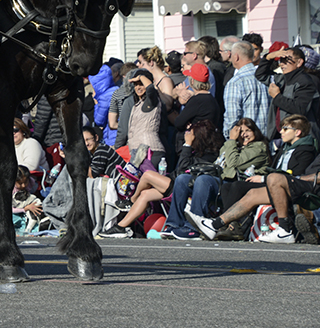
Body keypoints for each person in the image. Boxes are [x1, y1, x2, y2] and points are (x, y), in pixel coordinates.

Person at [102, 119, 224, 238]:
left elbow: (182, 168)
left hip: (187, 186)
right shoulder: (195, 151)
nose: (187, 135)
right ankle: (120, 227)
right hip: (178, 184)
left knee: (148, 175)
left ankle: (131, 201)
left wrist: (187, 145)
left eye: (190, 134)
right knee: (145, 194)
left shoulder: (209, 154)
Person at [189, 151, 320, 244]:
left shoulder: (306, 149)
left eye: (285, 128)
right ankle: (214, 225)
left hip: (313, 188)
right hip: (305, 183)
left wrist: (295, 179)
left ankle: (285, 230)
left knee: (274, 178)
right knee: (253, 194)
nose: (281, 131)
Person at [262, 46, 320, 135]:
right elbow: (261, 75)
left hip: (302, 136)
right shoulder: (283, 79)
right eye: (280, 60)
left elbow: (300, 108)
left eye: (286, 60)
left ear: (299, 62)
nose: (282, 64)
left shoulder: (305, 81)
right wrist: (269, 57)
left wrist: (277, 96)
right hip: (285, 134)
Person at [223, 41, 271, 137]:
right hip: (267, 138)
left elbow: (232, 117)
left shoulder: (235, 82)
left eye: (231, 55)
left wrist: (230, 138)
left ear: (236, 57)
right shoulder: (267, 76)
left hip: (246, 140)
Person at [124, 69, 164, 170]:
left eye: (141, 84)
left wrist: (141, 77)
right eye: (136, 84)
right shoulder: (138, 104)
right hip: (138, 153)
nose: (138, 87)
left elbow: (151, 89)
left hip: (151, 152)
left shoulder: (152, 101)